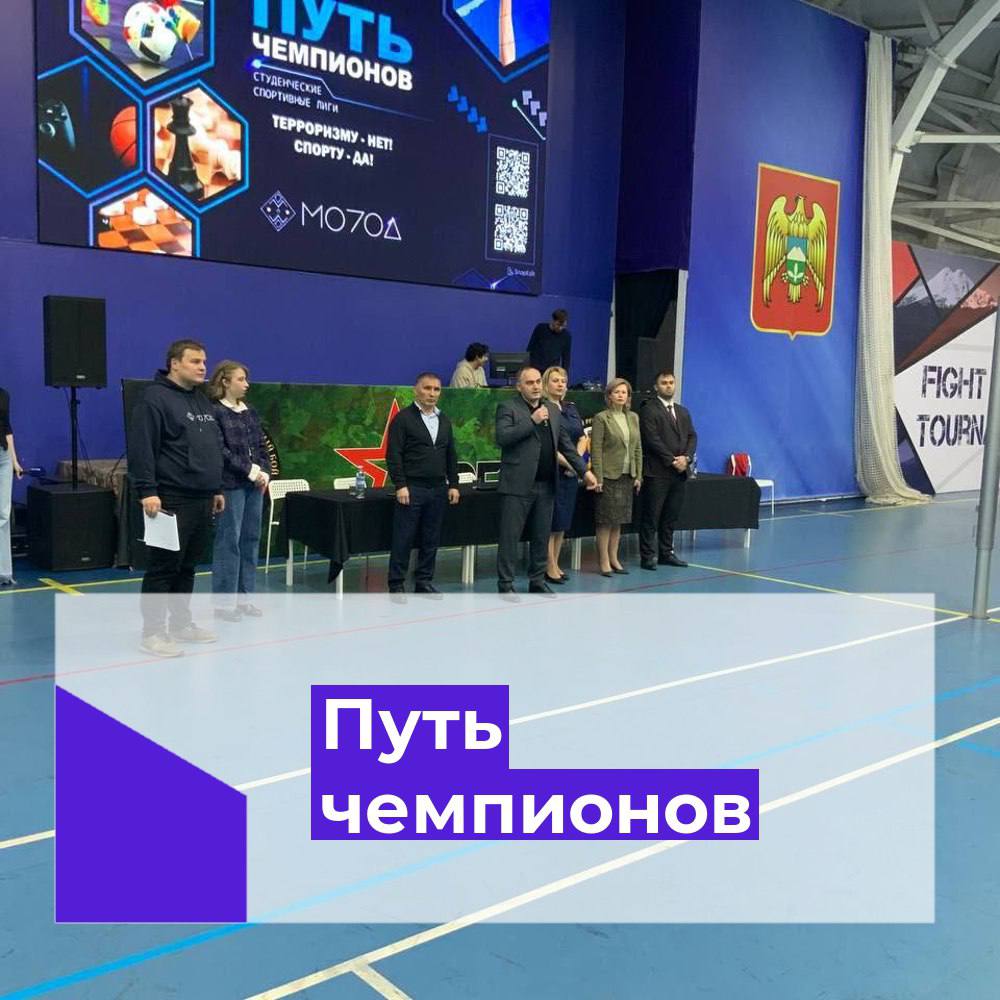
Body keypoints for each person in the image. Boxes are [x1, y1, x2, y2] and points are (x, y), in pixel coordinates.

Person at [129, 340, 224, 657]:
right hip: (170, 497)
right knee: (164, 567)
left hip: (203, 497)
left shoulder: (201, 399)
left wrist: (216, 488)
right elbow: (142, 448)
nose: (202, 367)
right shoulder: (154, 399)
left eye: (204, 361)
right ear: (174, 363)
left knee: (188, 566)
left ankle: (181, 625)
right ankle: (152, 633)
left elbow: (211, 447)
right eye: (195, 361)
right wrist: (148, 490)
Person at [496, 367, 597, 595]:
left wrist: (584, 472)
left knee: (541, 536)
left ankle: (537, 580)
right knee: (510, 537)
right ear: (519, 386)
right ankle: (505, 584)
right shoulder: (508, 407)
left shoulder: (551, 409)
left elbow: (566, 446)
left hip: (547, 484)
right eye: (529, 383)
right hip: (517, 485)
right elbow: (502, 438)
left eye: (537, 382)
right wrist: (531, 421)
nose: (535, 386)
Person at [385, 372, 460, 594]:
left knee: (431, 537)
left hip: (438, 489)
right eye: (427, 388)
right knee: (403, 538)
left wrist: (454, 484)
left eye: (436, 389)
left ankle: (424, 581)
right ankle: (396, 583)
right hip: (412, 488)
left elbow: (451, 455)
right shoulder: (403, 419)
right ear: (416, 390)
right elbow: (394, 455)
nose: (432, 393)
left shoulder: (444, 420)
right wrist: (400, 485)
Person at [207, 361, 270, 622]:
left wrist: (264, 472)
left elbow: (261, 445)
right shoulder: (215, 412)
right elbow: (220, 451)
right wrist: (250, 470)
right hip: (232, 485)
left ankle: (245, 598)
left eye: (246, 379)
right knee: (228, 542)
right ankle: (224, 604)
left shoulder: (249, 412)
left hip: (254, 487)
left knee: (250, 539)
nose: (246, 384)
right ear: (225, 382)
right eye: (240, 379)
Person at [639, 370, 697, 570]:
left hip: (679, 473)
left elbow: (692, 436)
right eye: (664, 383)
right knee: (651, 516)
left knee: (670, 516)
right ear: (656, 387)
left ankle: (666, 553)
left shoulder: (682, 411)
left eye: (671, 382)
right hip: (657, 472)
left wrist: (686, 458)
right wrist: (672, 460)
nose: (668, 386)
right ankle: (647, 556)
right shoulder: (649, 410)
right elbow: (651, 439)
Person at [590, 378, 642, 577]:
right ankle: (603, 560)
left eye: (624, 392)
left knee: (618, 520)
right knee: (605, 520)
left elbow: (637, 448)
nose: (621, 395)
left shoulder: (633, 417)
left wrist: (638, 474)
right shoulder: (601, 418)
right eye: (617, 392)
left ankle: (614, 558)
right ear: (609, 396)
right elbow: (596, 449)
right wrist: (598, 477)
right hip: (608, 475)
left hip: (628, 474)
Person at [541, 366, 585, 584]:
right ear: (546, 384)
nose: (560, 384)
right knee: (551, 522)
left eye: (563, 381)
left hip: (571, 473)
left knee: (562, 523)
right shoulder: (543, 408)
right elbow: (548, 443)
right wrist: (570, 463)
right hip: (553, 470)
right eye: (555, 380)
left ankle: (556, 562)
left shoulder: (571, 408)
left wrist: (576, 462)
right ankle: (548, 566)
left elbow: (583, 437)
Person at [0, 386, 24, 587]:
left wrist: (14, 460)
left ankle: (4, 572)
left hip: (3, 458)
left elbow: (7, 428)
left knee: (4, 514)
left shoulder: (3, 395)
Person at [527, 308, 571, 375]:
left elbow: (566, 358)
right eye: (558, 325)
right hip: (536, 369)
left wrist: (565, 375)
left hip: (552, 371)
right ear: (553, 320)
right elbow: (530, 348)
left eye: (563, 326)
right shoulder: (540, 328)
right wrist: (529, 369)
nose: (560, 328)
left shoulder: (566, 336)